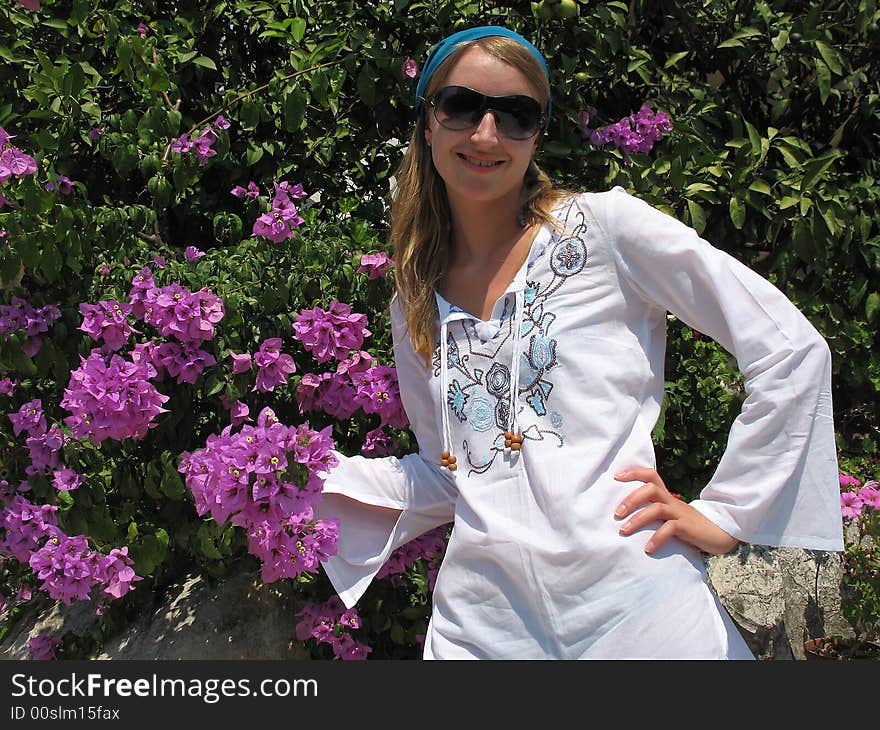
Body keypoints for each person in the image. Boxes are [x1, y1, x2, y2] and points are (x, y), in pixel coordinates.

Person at [313, 25, 844, 659]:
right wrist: (301, 482)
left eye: (515, 114)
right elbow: (452, 471)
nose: (486, 134)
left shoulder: (603, 231)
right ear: (427, 123)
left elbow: (788, 347)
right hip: (482, 631)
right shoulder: (416, 300)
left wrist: (729, 514)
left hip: (639, 608)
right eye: (461, 106)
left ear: (536, 135)